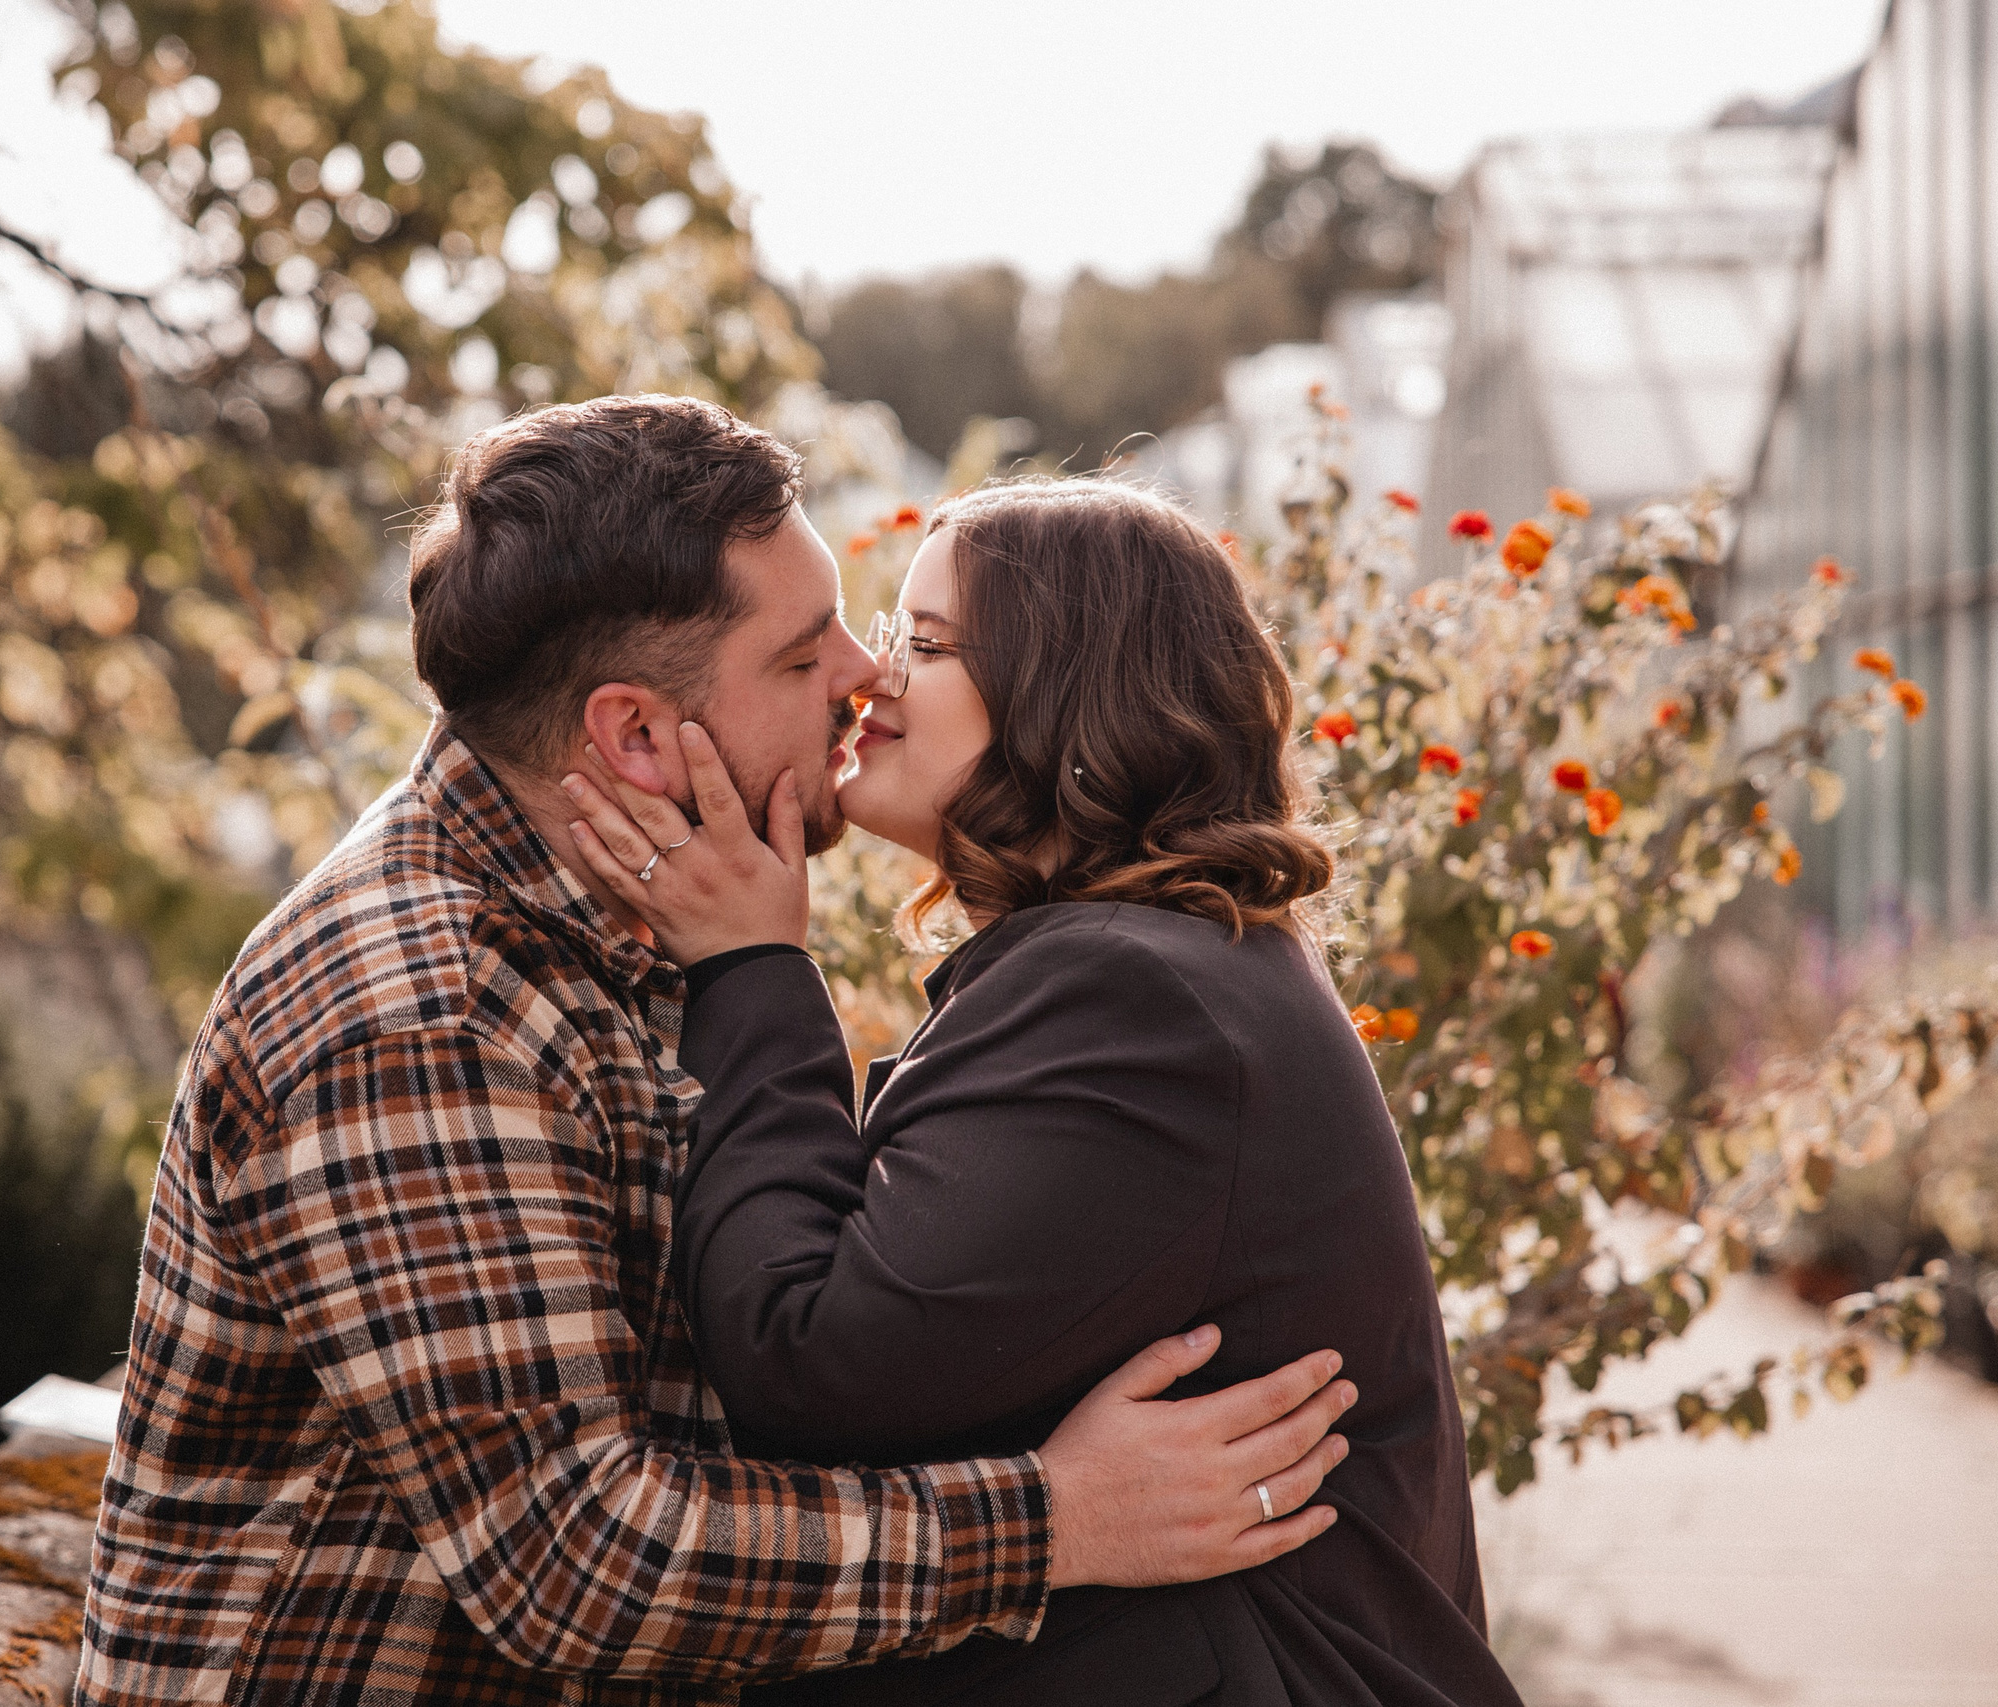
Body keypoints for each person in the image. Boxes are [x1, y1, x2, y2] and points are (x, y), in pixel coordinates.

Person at [76, 399, 1359, 1707]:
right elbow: (576, 1561)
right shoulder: (422, 1014)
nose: (864, 675)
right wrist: (1054, 1522)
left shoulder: (637, 921)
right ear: (635, 735)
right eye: (806, 657)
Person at [561, 477, 1524, 1706]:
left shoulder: (1133, 991)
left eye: (928, 644)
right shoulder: (1163, 966)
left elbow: (804, 1360)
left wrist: (751, 971)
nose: (871, 680)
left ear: (1072, 687)